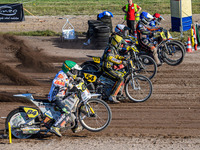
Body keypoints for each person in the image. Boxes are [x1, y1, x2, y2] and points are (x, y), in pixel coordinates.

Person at [48, 60, 83, 137]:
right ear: (69, 70)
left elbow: (72, 80)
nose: (75, 73)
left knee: (72, 106)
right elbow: (55, 82)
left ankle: (75, 127)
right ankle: (55, 127)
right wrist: (67, 85)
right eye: (74, 71)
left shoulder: (67, 75)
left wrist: (78, 79)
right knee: (67, 112)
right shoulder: (61, 74)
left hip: (61, 97)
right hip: (56, 98)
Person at [101, 34, 128, 103]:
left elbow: (115, 56)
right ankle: (112, 96)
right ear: (116, 43)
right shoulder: (110, 49)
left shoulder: (113, 48)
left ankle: (119, 94)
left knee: (122, 74)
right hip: (106, 67)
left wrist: (123, 58)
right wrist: (120, 62)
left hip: (110, 67)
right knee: (120, 78)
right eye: (119, 44)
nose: (120, 45)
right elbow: (110, 57)